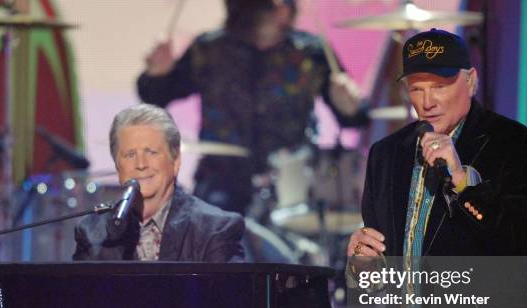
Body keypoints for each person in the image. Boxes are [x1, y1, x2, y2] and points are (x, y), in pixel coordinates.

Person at [346, 29, 527, 308]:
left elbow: (524, 240)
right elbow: (381, 272)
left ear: (470, 80)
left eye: (440, 85)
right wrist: (360, 261)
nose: (427, 101)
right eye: (417, 88)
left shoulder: (513, 144)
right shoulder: (387, 154)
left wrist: (462, 179)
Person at [73, 104, 247, 308]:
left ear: (176, 160)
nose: (140, 164)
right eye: (129, 155)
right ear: (117, 166)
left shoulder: (216, 228)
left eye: (151, 152)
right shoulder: (93, 232)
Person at [137, 0, 368, 215]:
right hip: (221, 180)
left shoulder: (310, 52)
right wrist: (157, 74)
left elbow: (353, 118)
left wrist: (349, 106)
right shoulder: (209, 50)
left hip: (292, 185)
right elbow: (156, 95)